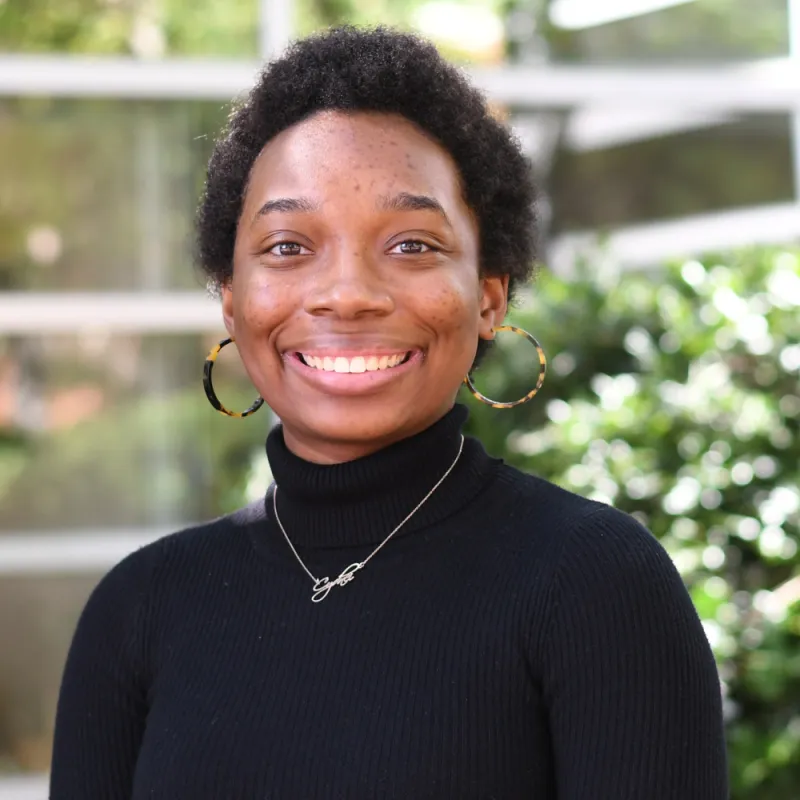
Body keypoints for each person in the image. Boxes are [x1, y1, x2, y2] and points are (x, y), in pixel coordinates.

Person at [49, 25, 728, 799]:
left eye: (410, 245)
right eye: (287, 246)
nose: (347, 294)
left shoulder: (593, 585)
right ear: (233, 303)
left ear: (488, 297)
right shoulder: (139, 612)